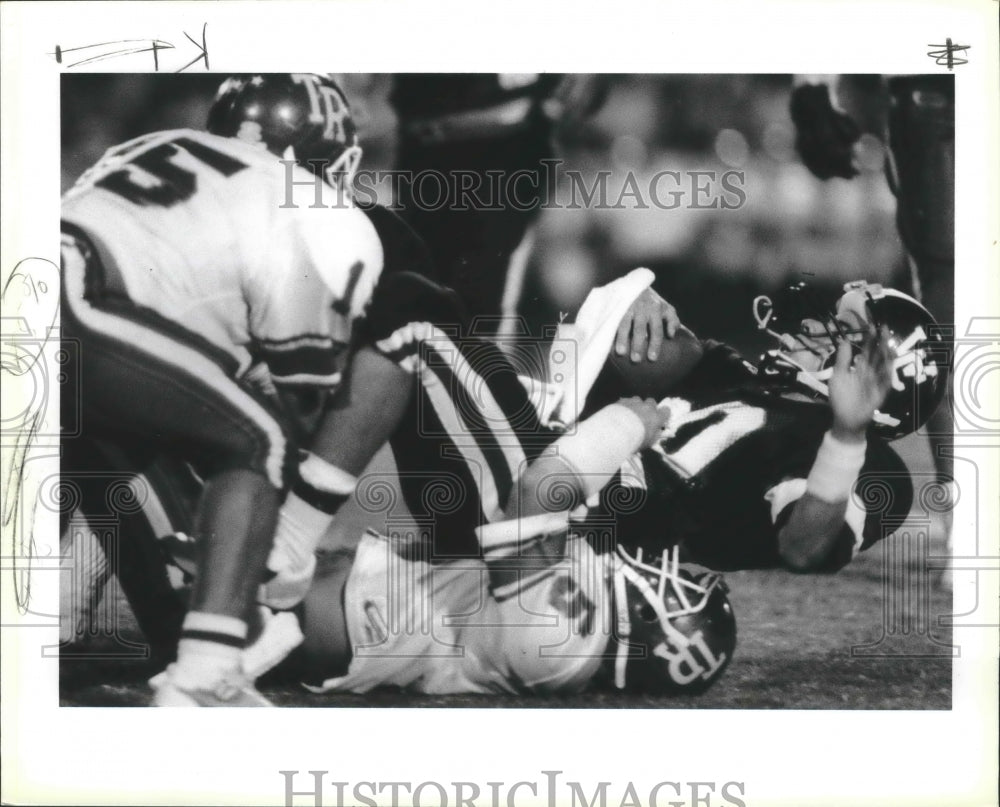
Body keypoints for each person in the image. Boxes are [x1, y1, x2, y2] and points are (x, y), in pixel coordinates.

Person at [61, 73, 384, 706]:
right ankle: (206, 676)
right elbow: (300, 391)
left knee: (111, 434)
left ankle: (72, 604)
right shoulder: (311, 206)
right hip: (71, 308)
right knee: (254, 439)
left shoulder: (157, 142)